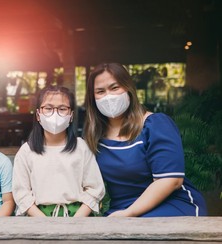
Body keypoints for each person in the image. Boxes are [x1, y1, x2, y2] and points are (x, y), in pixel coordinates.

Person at [83, 62, 207, 217]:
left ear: (128, 88)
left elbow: (171, 180)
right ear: (92, 98)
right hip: (120, 210)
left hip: (171, 204)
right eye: (100, 91)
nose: (108, 96)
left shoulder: (155, 124)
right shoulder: (94, 136)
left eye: (114, 88)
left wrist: (129, 214)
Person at [12, 85, 105, 217]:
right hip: (37, 219)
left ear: (71, 115)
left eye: (62, 109)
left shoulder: (81, 147)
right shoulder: (27, 151)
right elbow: (21, 193)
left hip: (78, 217)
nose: (55, 113)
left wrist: (76, 221)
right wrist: (43, 221)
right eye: (48, 108)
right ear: (38, 115)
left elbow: (94, 188)